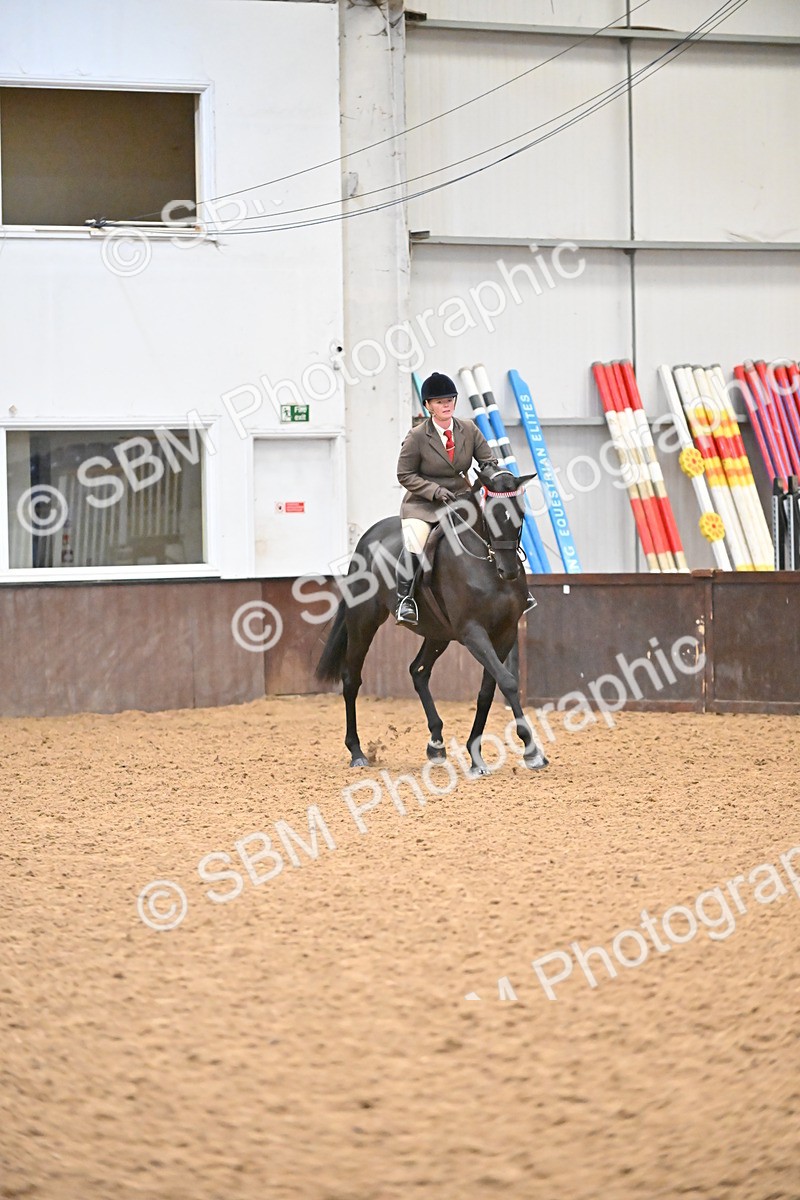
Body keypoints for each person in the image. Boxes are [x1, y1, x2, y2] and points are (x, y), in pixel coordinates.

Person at [394, 371, 499, 624]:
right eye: (440, 401)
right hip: (424, 505)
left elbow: (489, 460)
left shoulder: (469, 429)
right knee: (416, 541)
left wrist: (491, 472)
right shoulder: (417, 437)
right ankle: (405, 599)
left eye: (450, 400)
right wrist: (434, 490)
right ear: (428, 405)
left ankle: (516, 589)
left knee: (499, 526)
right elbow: (404, 474)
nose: (446, 405)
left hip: (462, 501)